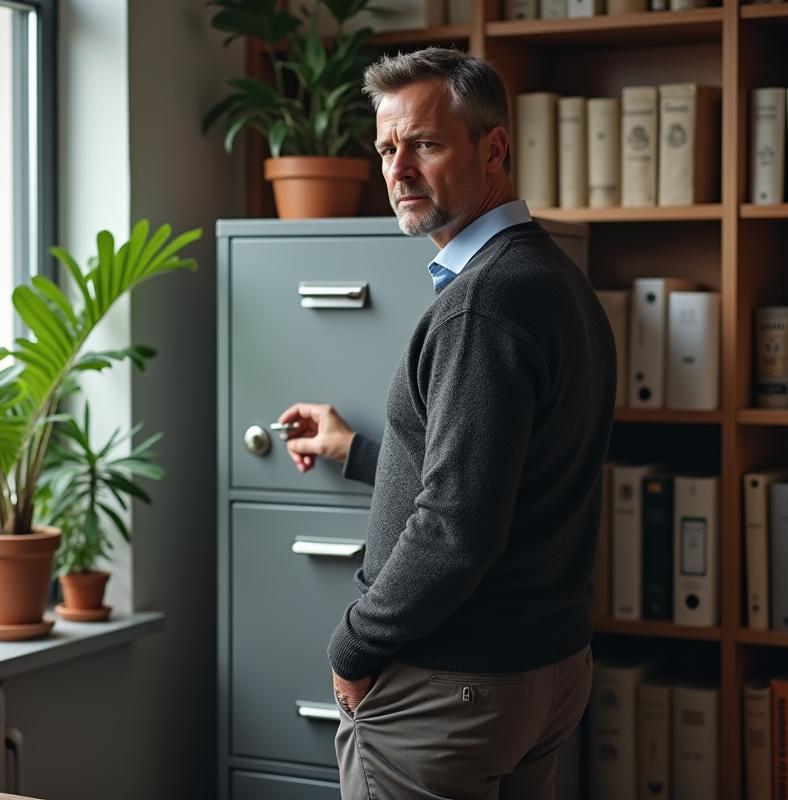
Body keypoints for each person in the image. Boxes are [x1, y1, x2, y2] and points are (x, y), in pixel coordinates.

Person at [276, 48, 616, 800]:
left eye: (424, 144)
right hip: (544, 673)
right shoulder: (554, 280)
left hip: (454, 687)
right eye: (387, 148)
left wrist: (352, 644)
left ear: (491, 148)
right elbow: (504, 469)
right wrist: (356, 450)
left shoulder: (481, 305)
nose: (397, 170)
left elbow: (458, 527)